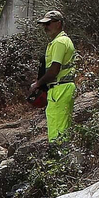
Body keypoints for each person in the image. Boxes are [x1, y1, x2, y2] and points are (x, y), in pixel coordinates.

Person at [26, 9, 76, 141]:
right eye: (44, 24)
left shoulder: (59, 42)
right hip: (60, 88)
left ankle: (58, 158)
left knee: (58, 129)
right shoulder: (58, 42)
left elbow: (54, 70)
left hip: (60, 88)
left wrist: (37, 84)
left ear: (58, 23)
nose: (45, 27)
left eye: (48, 24)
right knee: (58, 125)